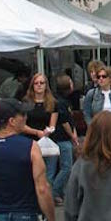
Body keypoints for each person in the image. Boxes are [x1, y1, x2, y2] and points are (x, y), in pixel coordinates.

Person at [45, 74, 79, 206]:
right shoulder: (62, 103)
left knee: (51, 169)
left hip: (53, 139)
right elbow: (65, 122)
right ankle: (54, 192)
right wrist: (72, 135)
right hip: (62, 139)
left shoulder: (55, 100)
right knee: (66, 167)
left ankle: (55, 193)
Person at [23, 74, 59, 140]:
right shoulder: (26, 102)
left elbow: (52, 125)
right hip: (30, 140)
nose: (39, 85)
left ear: (46, 85)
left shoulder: (53, 103)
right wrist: (36, 132)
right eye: (36, 83)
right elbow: (22, 125)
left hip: (47, 140)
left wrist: (48, 131)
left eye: (42, 83)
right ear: (32, 86)